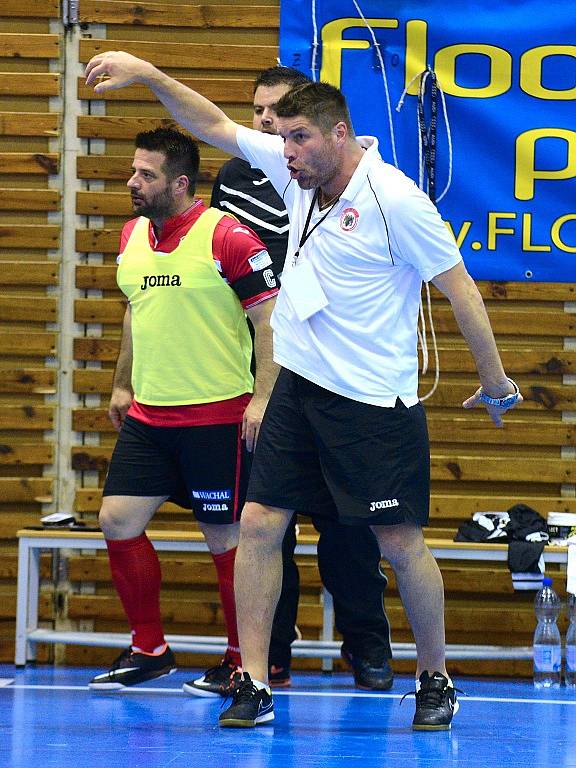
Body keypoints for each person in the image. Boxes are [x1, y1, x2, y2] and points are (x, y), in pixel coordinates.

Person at [85, 53, 523, 731]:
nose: (285, 152)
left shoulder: (394, 200)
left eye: (299, 139)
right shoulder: (294, 173)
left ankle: (435, 675)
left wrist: (496, 383)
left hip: (374, 403)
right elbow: (210, 124)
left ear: (339, 134)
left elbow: (460, 287)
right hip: (297, 388)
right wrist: (147, 72)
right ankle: (254, 681)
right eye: (280, 138)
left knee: (399, 544)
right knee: (260, 523)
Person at [212, 64, 395, 691]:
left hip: (344, 378)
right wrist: (258, 387)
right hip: (273, 371)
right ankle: (267, 661)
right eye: (259, 110)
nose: (266, 122)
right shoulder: (239, 177)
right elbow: (241, 292)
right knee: (266, 526)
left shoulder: (344, 184)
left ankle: (368, 648)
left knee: (351, 529)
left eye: (280, 114)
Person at [87, 126, 280, 698]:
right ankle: (150, 648)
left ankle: (241, 661)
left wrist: (264, 396)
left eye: (145, 174)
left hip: (217, 418)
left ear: (179, 181)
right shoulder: (131, 236)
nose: (132, 182)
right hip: (150, 417)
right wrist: (122, 384)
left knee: (225, 541)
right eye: (132, 170)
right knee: (117, 520)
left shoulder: (229, 238)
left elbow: (269, 321)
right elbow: (134, 310)